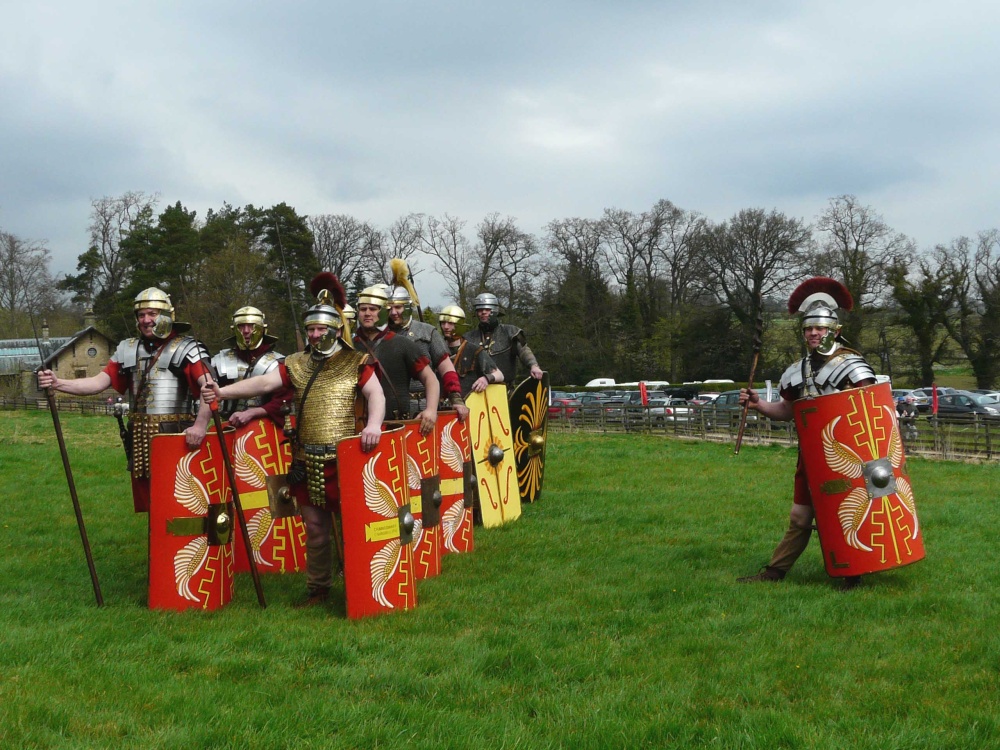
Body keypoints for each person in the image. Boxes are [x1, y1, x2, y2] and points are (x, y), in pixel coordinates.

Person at [203, 273, 384, 606]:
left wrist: (373, 424)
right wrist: (223, 391)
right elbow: (264, 385)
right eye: (310, 329)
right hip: (306, 459)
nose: (314, 335)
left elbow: (376, 393)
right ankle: (319, 588)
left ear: (334, 330)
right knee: (314, 529)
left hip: (344, 458)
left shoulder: (354, 361)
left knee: (354, 526)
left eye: (320, 329)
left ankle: (361, 588)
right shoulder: (296, 363)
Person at [737, 277, 876, 591]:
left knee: (843, 512)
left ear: (834, 331)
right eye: (808, 329)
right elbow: (788, 412)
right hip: (812, 454)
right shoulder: (796, 371)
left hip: (849, 457)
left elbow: (869, 413)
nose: (814, 333)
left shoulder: (853, 367)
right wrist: (759, 404)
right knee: (800, 518)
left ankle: (852, 572)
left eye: (821, 329)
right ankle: (774, 573)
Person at [37, 287, 212, 513]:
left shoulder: (188, 348)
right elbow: (99, 382)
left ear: (168, 315)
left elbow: (209, 389)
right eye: (141, 315)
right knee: (152, 503)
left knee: (182, 500)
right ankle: (156, 548)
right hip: (140, 436)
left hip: (176, 435)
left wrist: (199, 425)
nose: (146, 320)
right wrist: (58, 383)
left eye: (152, 313)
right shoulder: (128, 349)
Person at [352, 284, 440, 433]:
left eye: (373, 309)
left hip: (395, 427)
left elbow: (431, 379)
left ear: (383, 312)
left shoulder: (402, 344)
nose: (367, 313)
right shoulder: (350, 347)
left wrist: (431, 410)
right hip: (357, 428)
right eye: (363, 309)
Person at [386, 285, 469, 420]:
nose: (393, 312)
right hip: (391, 408)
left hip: (424, 407)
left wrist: (456, 398)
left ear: (407, 306)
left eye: (398, 307)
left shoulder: (427, 332)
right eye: (389, 308)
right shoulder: (382, 336)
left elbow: (447, 369)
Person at [199, 306, 288, 428]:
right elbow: (205, 395)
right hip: (227, 427)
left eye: (252, 326)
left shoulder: (278, 363)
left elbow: (283, 402)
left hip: (266, 429)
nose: (246, 331)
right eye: (241, 326)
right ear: (234, 329)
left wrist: (254, 412)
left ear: (262, 329)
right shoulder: (219, 361)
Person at [462, 292, 543, 388]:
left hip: (505, 389)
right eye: (480, 310)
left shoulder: (510, 332)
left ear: (495, 310)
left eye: (487, 309)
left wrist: (534, 366)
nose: (483, 312)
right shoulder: (468, 337)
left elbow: (524, 350)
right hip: (476, 390)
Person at [438, 304, 504, 395]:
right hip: (441, 404)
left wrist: (486, 378)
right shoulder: (436, 348)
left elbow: (499, 375)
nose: (446, 327)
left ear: (459, 325)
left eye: (450, 323)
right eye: (443, 323)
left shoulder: (473, 350)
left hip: (467, 404)